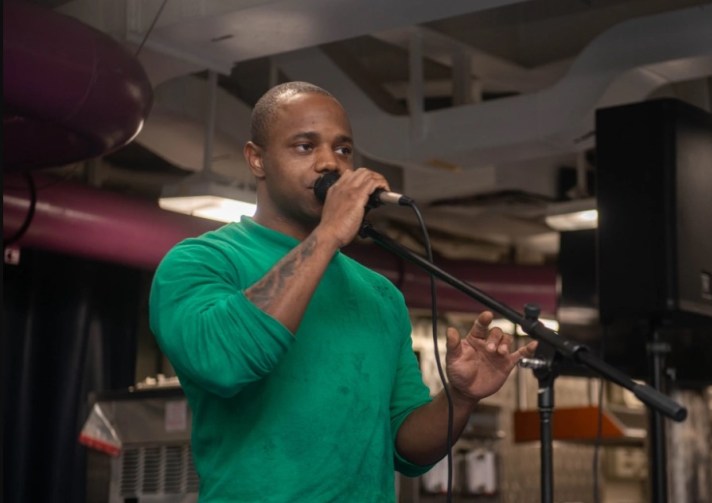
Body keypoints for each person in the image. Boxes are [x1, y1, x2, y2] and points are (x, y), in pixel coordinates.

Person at [149, 81, 537, 502]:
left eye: (343, 150)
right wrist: (330, 233)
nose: (329, 163)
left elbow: (407, 447)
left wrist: (460, 399)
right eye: (304, 146)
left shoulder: (379, 294)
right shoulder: (200, 263)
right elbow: (224, 362)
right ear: (256, 159)